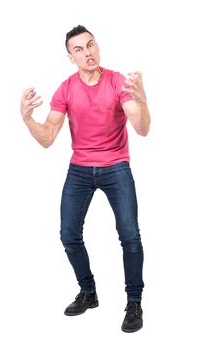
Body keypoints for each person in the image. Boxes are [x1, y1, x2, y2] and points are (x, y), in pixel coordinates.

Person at [20, 25, 151, 333]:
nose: (87, 52)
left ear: (97, 46)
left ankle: (134, 302)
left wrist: (143, 100)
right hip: (80, 168)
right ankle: (88, 292)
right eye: (78, 49)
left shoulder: (117, 81)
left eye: (90, 45)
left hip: (116, 165)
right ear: (70, 57)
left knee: (130, 235)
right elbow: (48, 136)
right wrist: (27, 118)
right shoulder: (66, 88)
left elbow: (143, 129)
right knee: (68, 234)